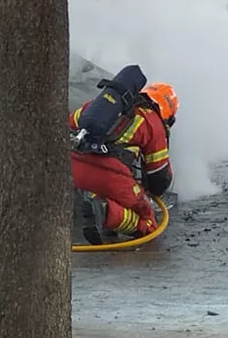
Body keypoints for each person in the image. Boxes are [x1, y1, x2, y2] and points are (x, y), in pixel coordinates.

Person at [70, 79, 177, 244]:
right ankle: (104, 210)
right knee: (149, 224)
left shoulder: (102, 106)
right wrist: (145, 195)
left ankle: (98, 208)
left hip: (73, 166)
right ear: (167, 111)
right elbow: (159, 177)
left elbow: (69, 123)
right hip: (109, 173)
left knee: (103, 191)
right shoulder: (152, 122)